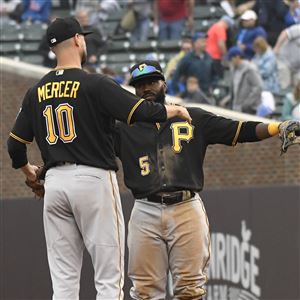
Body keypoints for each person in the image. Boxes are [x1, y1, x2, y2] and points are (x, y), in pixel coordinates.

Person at [6, 17, 192, 300]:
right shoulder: (94, 83)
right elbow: (141, 111)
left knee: (64, 283)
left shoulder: (36, 91)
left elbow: (14, 146)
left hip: (55, 184)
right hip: (93, 181)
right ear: (78, 40)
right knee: (108, 279)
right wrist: (174, 111)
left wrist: (30, 173)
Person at [114, 59, 291, 300]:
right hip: (145, 209)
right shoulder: (124, 127)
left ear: (164, 84)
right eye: (140, 84)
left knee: (190, 289)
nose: (146, 88)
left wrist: (276, 127)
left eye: (152, 82)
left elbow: (237, 129)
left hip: (186, 208)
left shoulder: (192, 116)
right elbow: (89, 145)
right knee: (144, 291)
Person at [221, 46, 263, 114]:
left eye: (231, 59)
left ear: (237, 57)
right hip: (236, 109)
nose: (230, 62)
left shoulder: (250, 69)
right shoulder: (233, 69)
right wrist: (227, 99)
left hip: (249, 110)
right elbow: (235, 90)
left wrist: (246, 104)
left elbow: (258, 87)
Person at [172, 32, 215, 96]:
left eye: (205, 41)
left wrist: (213, 87)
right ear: (195, 43)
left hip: (206, 94)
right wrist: (178, 91)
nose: (205, 44)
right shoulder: (187, 59)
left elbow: (215, 75)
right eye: (202, 41)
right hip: (191, 95)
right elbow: (176, 76)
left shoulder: (209, 58)